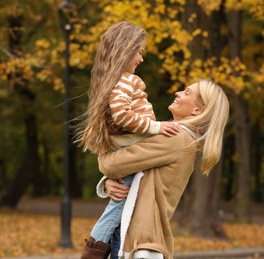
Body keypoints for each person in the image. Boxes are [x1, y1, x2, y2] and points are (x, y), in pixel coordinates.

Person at [75, 21, 180, 259]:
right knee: (119, 208)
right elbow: (123, 115)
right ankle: (93, 251)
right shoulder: (126, 81)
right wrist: (156, 127)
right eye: (140, 52)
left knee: (123, 208)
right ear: (126, 49)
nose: (141, 59)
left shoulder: (113, 82)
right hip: (131, 145)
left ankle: (103, 250)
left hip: (127, 148)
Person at [96, 79, 230, 259]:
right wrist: (109, 182)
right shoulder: (181, 139)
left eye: (187, 93)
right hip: (137, 237)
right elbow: (137, 172)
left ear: (197, 110)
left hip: (136, 241)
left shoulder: (175, 139)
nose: (178, 93)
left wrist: (102, 158)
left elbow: (113, 165)